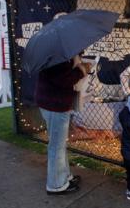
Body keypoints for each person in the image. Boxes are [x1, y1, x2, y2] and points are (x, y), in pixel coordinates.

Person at [36, 54, 91, 195]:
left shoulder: (57, 53)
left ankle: (64, 177)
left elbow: (61, 76)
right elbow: (64, 79)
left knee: (58, 145)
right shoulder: (57, 56)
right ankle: (56, 185)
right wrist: (81, 69)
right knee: (56, 147)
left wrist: (77, 65)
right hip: (55, 105)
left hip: (52, 103)